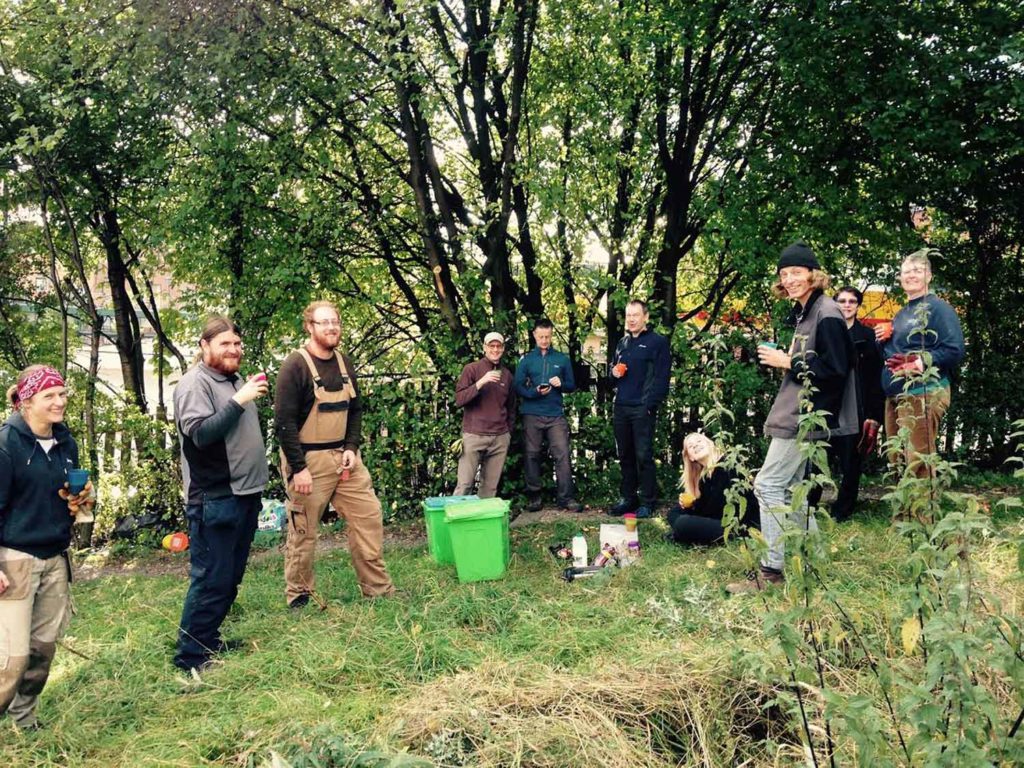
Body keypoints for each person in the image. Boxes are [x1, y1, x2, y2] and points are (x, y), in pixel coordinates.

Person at [728, 242, 858, 594]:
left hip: (806, 416)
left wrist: (789, 362)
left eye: (796, 272)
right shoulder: (807, 312)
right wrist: (790, 359)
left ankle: (772, 571)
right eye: (784, 275)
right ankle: (811, 556)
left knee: (767, 485)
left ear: (813, 275)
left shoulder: (827, 312)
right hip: (802, 412)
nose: (789, 279)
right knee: (792, 490)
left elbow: (836, 368)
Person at [275, 301, 395, 610]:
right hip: (307, 461)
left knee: (369, 516)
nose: (331, 327)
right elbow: (284, 422)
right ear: (310, 327)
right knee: (304, 529)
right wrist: (298, 468)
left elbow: (355, 411)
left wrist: (352, 448)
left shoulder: (344, 363)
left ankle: (377, 589)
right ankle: (300, 595)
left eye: (335, 322)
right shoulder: (295, 365)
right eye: (324, 322)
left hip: (344, 458)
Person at [173, 316, 269, 672]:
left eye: (237, 344)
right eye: (225, 344)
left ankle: (207, 639)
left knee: (230, 576)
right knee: (211, 577)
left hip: (245, 493)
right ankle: (190, 656)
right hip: (215, 497)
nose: (234, 350)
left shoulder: (234, 379)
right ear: (204, 346)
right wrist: (239, 401)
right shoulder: (193, 385)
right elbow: (200, 434)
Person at [1, 365, 93, 729]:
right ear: (27, 402)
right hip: (14, 559)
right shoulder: (6, 444)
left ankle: (24, 719)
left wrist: (81, 499)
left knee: (42, 651)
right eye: (49, 396)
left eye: (62, 393)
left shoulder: (64, 442)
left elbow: (67, 496)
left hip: (55, 557)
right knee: (11, 658)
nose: (60, 402)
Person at [878, 249, 964, 479]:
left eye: (917, 270)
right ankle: (902, 514)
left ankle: (922, 515)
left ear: (929, 276)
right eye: (906, 271)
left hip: (922, 392)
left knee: (918, 460)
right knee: (896, 458)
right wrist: (883, 340)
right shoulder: (901, 313)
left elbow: (954, 349)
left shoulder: (939, 309)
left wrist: (917, 364)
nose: (911, 275)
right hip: (896, 395)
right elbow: (894, 354)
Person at [807, 286, 886, 521]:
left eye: (853, 301)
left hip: (856, 408)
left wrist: (874, 414)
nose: (847, 304)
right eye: (842, 300)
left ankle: (842, 511)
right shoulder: (825, 333)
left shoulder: (868, 337)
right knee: (817, 459)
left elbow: (875, 379)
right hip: (826, 406)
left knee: (851, 463)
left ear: (858, 306)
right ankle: (809, 507)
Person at [609, 299, 671, 518]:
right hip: (621, 406)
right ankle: (628, 498)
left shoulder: (657, 342)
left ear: (645, 317)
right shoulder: (622, 343)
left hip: (642, 408)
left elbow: (663, 378)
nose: (632, 319)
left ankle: (647, 500)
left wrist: (649, 405)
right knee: (624, 454)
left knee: (643, 455)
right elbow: (613, 373)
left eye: (636, 315)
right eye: (628, 315)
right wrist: (614, 373)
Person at [514, 319, 582, 512]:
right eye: (541, 336)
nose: (544, 340)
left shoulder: (562, 359)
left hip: (555, 414)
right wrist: (534, 392)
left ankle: (566, 498)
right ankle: (534, 497)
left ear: (552, 335)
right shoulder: (526, 360)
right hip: (532, 413)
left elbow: (571, 385)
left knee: (562, 455)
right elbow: (518, 387)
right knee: (532, 455)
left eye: (548, 336)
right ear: (534, 335)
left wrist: (561, 384)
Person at [666, 433, 759, 545]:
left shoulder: (727, 464)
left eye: (699, 441)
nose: (695, 445)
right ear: (691, 457)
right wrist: (690, 505)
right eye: (691, 446)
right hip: (719, 520)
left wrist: (694, 508)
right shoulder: (705, 476)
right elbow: (705, 507)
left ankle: (681, 534)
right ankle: (685, 533)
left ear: (710, 444)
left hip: (739, 526)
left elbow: (717, 510)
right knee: (674, 512)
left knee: (683, 523)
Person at [454, 332, 516, 498]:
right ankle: (455, 522)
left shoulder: (507, 375)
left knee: (489, 489)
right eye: (491, 346)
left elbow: (511, 408)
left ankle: (482, 524)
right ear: (484, 348)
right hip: (474, 435)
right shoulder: (472, 369)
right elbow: (459, 399)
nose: (495, 350)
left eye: (498, 346)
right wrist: (481, 382)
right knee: (465, 484)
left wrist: (507, 433)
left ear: (502, 349)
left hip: (499, 438)